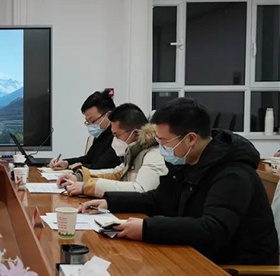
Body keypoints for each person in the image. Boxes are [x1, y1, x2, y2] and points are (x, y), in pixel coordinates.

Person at [80, 98, 278, 266]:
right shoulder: (189, 161)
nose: (161, 148)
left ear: (190, 138)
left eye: (164, 141)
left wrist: (147, 228)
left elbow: (213, 229)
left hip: (232, 273)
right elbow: (157, 199)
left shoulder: (233, 174)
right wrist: (109, 202)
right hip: (194, 257)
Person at [57, 103, 167, 198]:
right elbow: (116, 173)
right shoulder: (135, 152)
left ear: (136, 133)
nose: (115, 140)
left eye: (117, 135)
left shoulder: (154, 154)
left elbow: (140, 189)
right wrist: (79, 176)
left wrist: (88, 187)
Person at [49, 89, 121, 170]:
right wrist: (66, 162)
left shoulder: (118, 137)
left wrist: (72, 167)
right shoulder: (101, 134)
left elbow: (99, 166)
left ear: (108, 115)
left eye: (93, 121)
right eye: (88, 122)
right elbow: (88, 159)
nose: (91, 126)